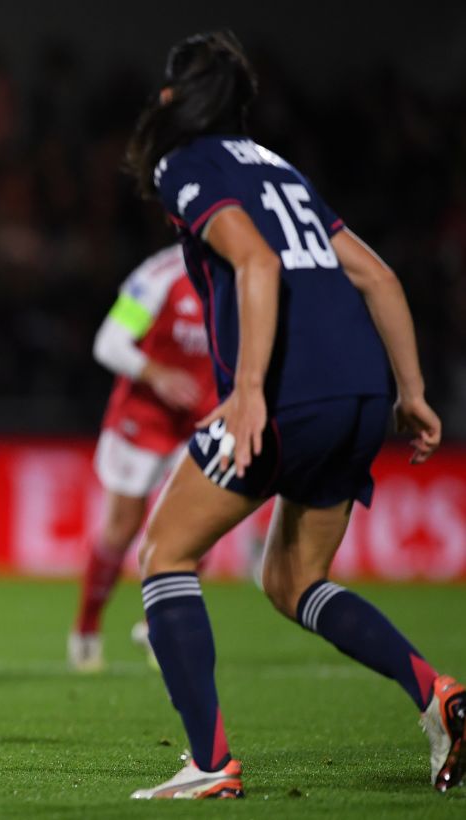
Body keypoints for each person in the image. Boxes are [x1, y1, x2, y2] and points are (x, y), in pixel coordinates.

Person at [122, 31, 463, 799]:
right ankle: (437, 695)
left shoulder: (185, 164)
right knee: (294, 579)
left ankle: (210, 765)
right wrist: (409, 392)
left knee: (166, 555)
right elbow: (374, 275)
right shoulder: (279, 166)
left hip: (285, 394)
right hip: (360, 393)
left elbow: (255, 261)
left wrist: (245, 391)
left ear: (173, 98)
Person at [68, 244, 215, 672]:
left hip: (203, 420)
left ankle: (160, 626)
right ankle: (87, 626)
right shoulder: (161, 275)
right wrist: (157, 373)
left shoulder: (249, 275)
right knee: (122, 527)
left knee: (198, 526)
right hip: (144, 418)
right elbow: (109, 342)